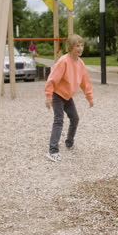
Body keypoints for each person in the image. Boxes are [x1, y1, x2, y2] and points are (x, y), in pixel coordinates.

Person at [44, 34, 94, 162]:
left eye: (82, 45)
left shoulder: (80, 63)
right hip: (57, 95)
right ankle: (53, 151)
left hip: (68, 97)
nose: (80, 48)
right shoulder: (64, 61)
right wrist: (48, 95)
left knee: (75, 118)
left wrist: (89, 97)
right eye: (77, 46)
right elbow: (52, 78)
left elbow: (85, 81)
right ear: (70, 47)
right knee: (59, 120)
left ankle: (69, 143)